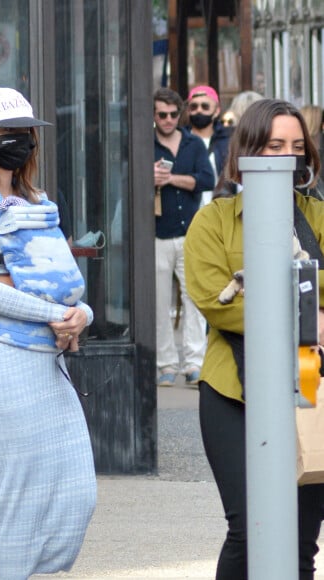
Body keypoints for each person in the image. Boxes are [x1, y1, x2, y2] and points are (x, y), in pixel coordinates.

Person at [0, 87, 96, 579]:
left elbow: (66, 280)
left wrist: (82, 315)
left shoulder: (38, 200)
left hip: (49, 361)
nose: (23, 141)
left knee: (78, 493)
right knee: (20, 503)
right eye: (11, 134)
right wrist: (51, 313)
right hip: (0, 360)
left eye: (27, 133)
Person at [184, 98, 324, 580]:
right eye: (273, 146)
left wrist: (270, 290)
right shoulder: (214, 221)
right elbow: (214, 302)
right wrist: (309, 309)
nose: (286, 157)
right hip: (232, 393)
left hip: (309, 389)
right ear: (245, 151)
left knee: (300, 540)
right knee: (250, 529)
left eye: (296, 146)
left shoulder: (317, 215)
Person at [153, 87, 215, 386]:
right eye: (161, 114)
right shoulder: (146, 145)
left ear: (181, 114)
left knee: (195, 299)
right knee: (160, 302)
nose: (167, 120)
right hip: (157, 233)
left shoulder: (193, 144)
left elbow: (207, 179)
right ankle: (166, 364)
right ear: (153, 116)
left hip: (191, 232)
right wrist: (148, 178)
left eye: (172, 114)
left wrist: (171, 179)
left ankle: (195, 363)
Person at [186, 85, 232, 206]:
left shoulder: (228, 141)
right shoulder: (181, 140)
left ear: (216, 111)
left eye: (205, 106)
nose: (199, 110)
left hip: (221, 210)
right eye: (194, 106)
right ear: (188, 110)